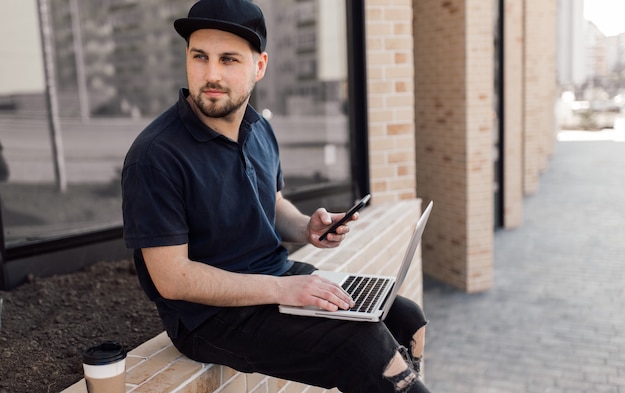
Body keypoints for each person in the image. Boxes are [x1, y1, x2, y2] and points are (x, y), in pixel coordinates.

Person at [121, 1, 431, 392]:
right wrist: (284, 290)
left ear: (260, 66)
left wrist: (307, 227)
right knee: (362, 345)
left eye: (229, 59)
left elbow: (271, 203)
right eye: (200, 57)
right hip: (208, 318)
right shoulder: (154, 156)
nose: (211, 74)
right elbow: (172, 279)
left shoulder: (258, 128)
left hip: (275, 278)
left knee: (405, 316)